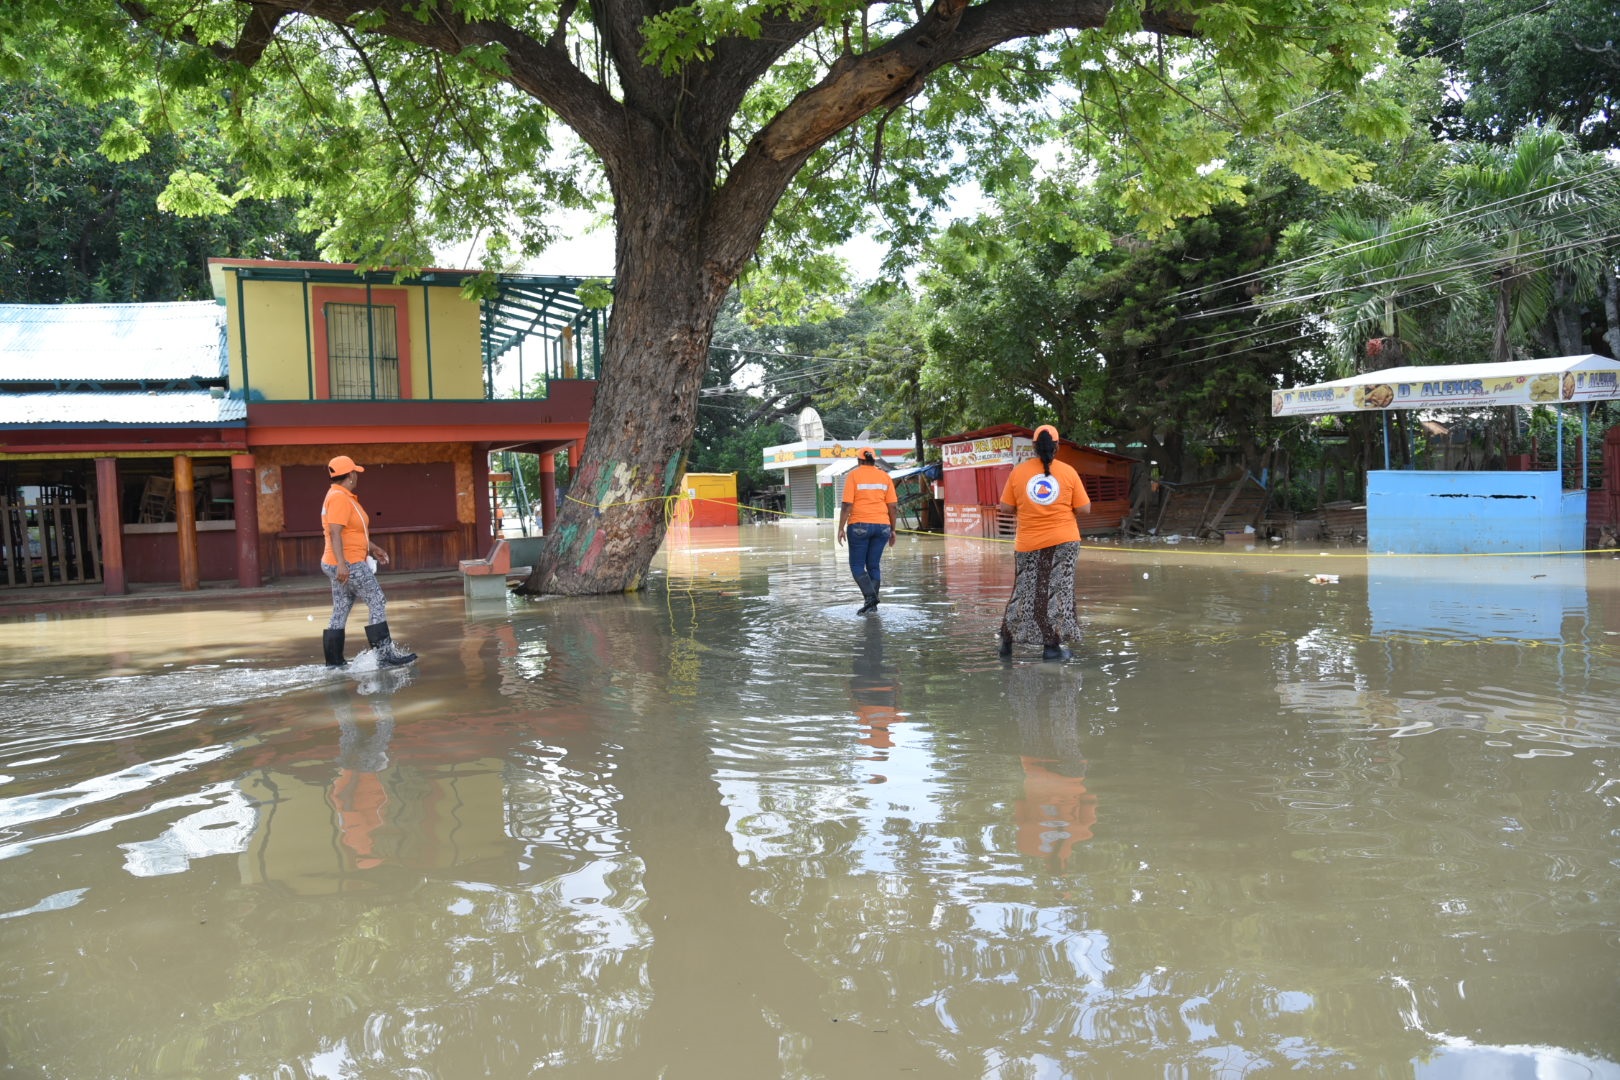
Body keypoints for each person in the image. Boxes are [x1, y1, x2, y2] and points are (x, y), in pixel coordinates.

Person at [996, 425, 1090, 660]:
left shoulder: (1018, 472)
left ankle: (1006, 643)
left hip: (1028, 542)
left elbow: (1005, 507)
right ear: (1057, 446)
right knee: (1058, 592)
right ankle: (1051, 649)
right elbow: (1084, 508)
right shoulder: (1068, 472)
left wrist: (1027, 506)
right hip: (1064, 541)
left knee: (1024, 592)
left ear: (1034, 447)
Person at [319, 455, 417, 668]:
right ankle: (385, 656)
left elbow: (353, 533)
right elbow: (335, 533)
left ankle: (334, 662)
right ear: (351, 475)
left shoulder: (340, 495)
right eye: (355, 472)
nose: (356, 475)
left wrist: (373, 548)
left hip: (343, 560)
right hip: (349, 562)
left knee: (341, 607)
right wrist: (343, 564)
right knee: (377, 601)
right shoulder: (339, 498)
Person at [835, 447, 898, 614]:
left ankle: (870, 597)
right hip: (883, 527)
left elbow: (847, 505)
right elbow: (893, 506)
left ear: (859, 460)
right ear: (874, 460)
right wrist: (893, 529)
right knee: (873, 565)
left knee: (857, 566)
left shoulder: (854, 475)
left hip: (859, 525)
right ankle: (873, 607)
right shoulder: (885, 476)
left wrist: (840, 528)